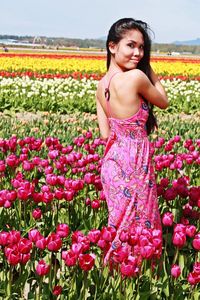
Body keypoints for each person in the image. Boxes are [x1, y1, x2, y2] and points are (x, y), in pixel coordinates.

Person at [96, 18, 169, 266]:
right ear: (112, 46)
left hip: (112, 164)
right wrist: (149, 69)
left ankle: (112, 278)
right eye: (131, 45)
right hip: (134, 162)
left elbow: (105, 135)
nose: (138, 53)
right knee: (142, 225)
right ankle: (140, 278)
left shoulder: (101, 85)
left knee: (120, 227)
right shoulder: (137, 77)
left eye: (142, 47)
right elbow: (163, 100)